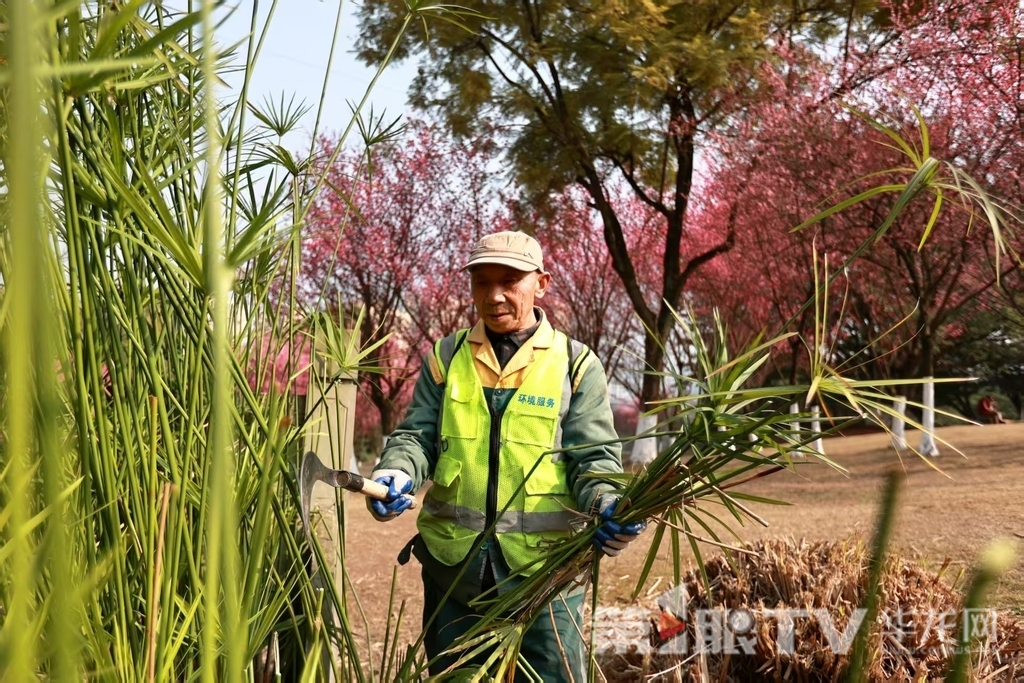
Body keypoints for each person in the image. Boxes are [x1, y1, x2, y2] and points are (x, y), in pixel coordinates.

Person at [365, 231, 646, 681]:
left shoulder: (575, 364)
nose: (493, 296)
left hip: (547, 574)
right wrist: (395, 471)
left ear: (542, 283)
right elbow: (417, 437)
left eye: (510, 280)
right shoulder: (446, 355)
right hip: (455, 572)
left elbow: (594, 459)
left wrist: (608, 503)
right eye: (481, 282)